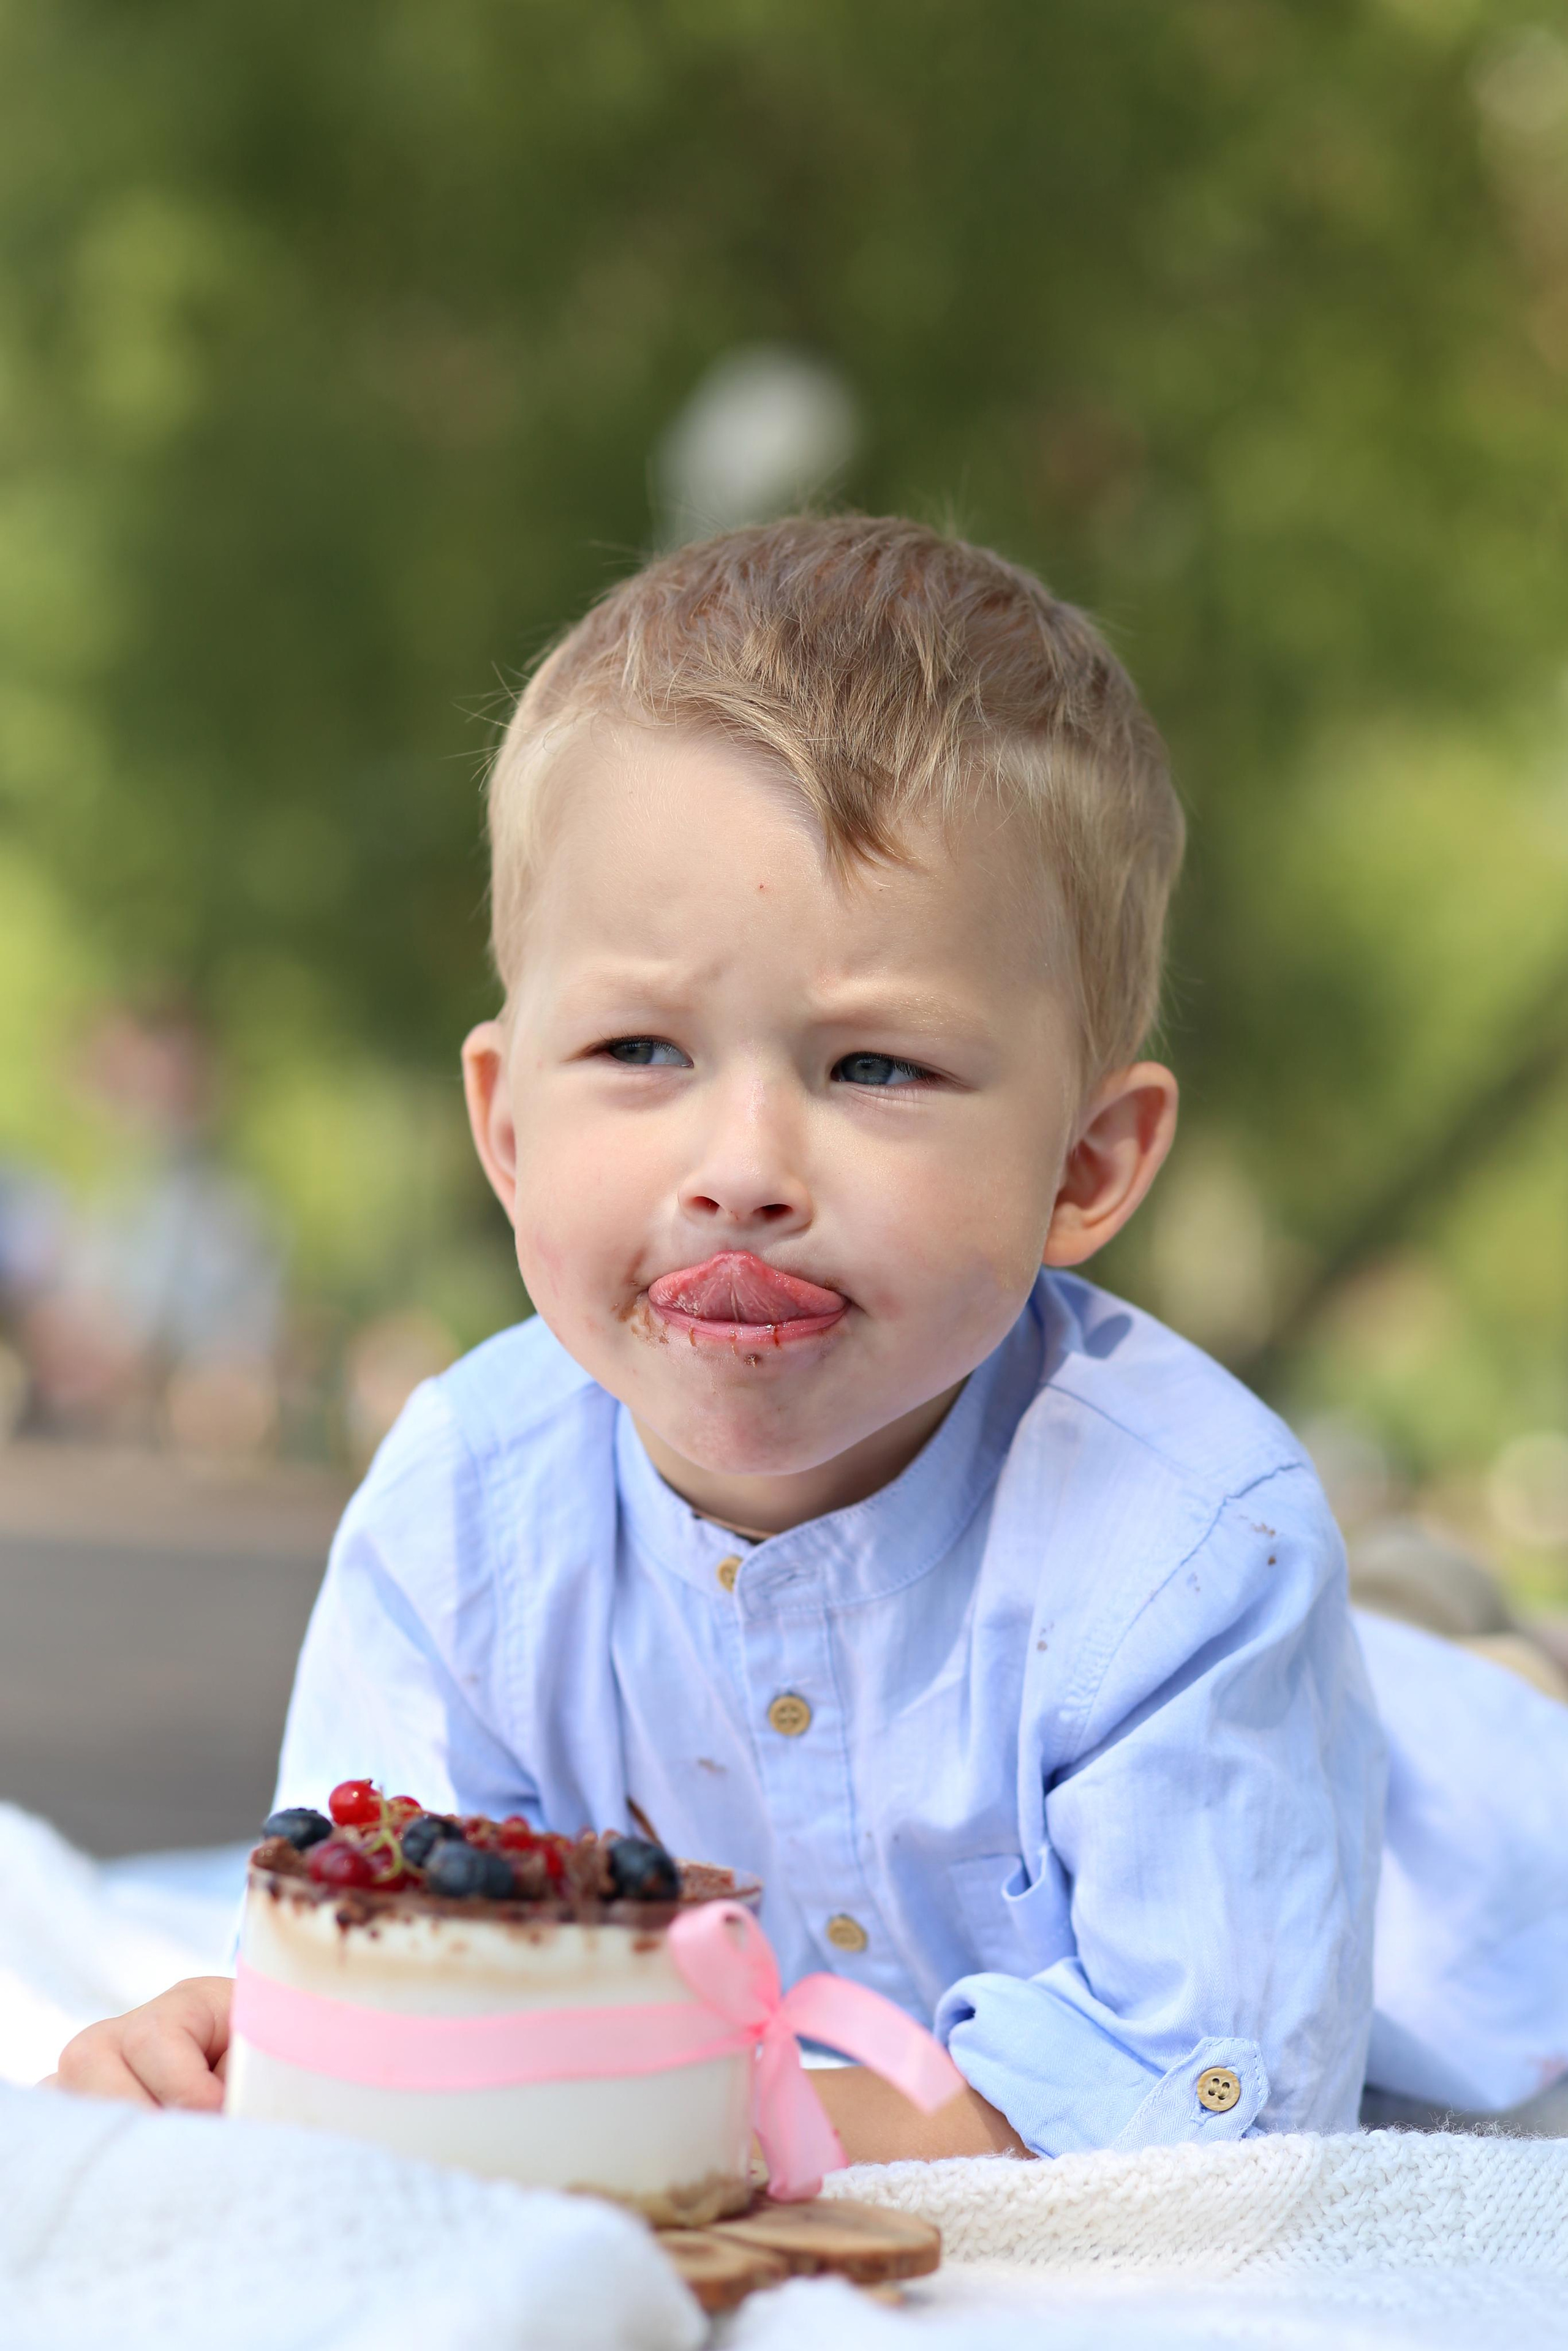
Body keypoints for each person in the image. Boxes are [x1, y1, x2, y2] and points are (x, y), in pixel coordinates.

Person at [53, 517, 1568, 2154]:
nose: (744, 1169)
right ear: (507, 1128)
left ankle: (1468, 1655)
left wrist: (706, 2129)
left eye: (876, 1068)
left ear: (1085, 1166)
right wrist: (271, 2053)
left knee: (1449, 1751)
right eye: (643, 1049)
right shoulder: (466, 1511)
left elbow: (1212, 2101)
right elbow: (395, 1949)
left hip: (1434, 1866)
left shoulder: (1193, 1547)